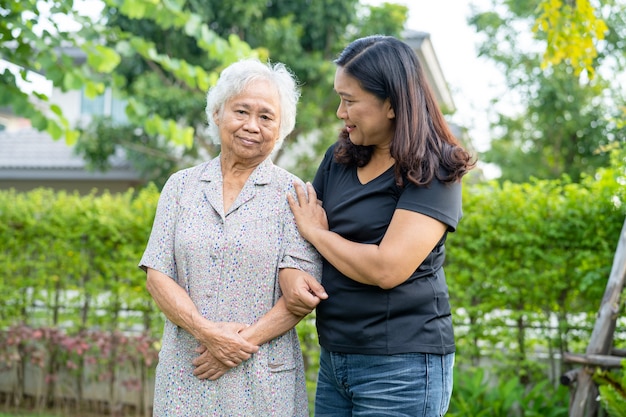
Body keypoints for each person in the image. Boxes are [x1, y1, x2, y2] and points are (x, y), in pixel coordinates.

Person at [282, 35, 476, 417]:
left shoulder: (435, 169)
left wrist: (318, 234)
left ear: (391, 103)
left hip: (402, 366)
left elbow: (387, 268)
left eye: (350, 100)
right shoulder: (339, 158)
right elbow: (297, 231)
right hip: (336, 357)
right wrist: (291, 271)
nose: (340, 112)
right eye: (340, 98)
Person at [139, 58, 326, 417]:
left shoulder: (295, 194)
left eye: (267, 117)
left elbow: (300, 297)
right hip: (188, 369)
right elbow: (157, 273)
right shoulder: (181, 186)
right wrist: (206, 332)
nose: (252, 126)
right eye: (241, 111)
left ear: (282, 128)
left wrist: (235, 344)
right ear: (217, 113)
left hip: (262, 377)